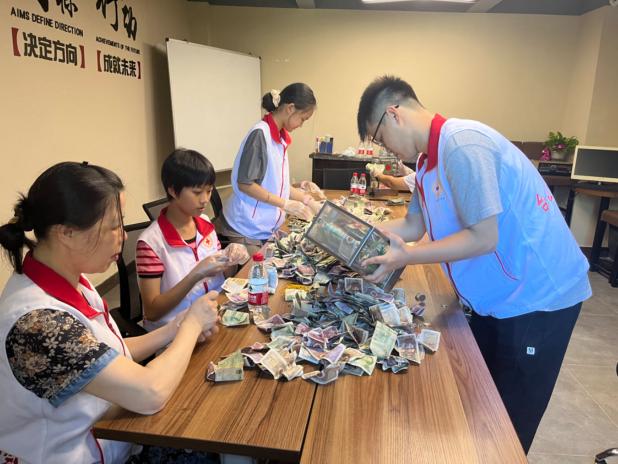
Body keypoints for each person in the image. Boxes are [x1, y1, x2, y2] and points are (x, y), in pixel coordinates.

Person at [357, 75, 591, 453]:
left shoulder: (462, 143)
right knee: (479, 404)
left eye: (380, 138)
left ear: (394, 114)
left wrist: (407, 255)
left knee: (508, 425)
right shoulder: (427, 162)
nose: (386, 150)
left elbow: (483, 237)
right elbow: (414, 225)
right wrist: (355, 230)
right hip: (497, 297)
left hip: (537, 298)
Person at [0, 162, 220, 463]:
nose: (124, 236)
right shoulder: (36, 323)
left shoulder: (71, 279)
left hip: (114, 437)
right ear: (67, 233)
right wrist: (192, 326)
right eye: (114, 226)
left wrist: (174, 329)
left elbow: (104, 354)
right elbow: (150, 392)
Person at [137, 149, 249, 331]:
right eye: (197, 192)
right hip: (178, 329)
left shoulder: (205, 224)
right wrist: (195, 275)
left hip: (216, 314)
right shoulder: (151, 243)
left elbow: (223, 276)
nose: (205, 200)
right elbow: (152, 312)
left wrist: (231, 259)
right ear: (173, 190)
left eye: (209, 191)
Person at [216, 83, 323, 254]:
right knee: (260, 268)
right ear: (290, 108)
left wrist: (309, 201)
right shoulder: (260, 134)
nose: (301, 125)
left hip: (264, 226)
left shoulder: (279, 138)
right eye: (303, 119)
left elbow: (279, 186)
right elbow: (245, 184)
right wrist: (285, 204)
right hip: (245, 227)